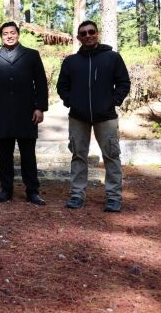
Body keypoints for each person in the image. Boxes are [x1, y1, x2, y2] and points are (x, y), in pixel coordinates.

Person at [57, 20, 131, 212]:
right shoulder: (71, 62)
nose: (88, 35)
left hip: (106, 117)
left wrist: (112, 101)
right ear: (78, 37)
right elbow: (62, 87)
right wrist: (71, 101)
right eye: (83, 33)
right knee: (78, 156)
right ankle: (76, 195)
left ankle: (114, 197)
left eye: (91, 32)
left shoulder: (112, 58)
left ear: (97, 33)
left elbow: (123, 82)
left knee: (111, 156)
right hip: (78, 117)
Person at [0, 22, 49, 205]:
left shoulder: (32, 55)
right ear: (1, 36)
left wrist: (39, 107)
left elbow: (41, 83)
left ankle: (32, 191)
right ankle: (6, 190)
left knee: (28, 154)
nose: (9, 36)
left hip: (27, 113)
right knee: (5, 154)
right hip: (2, 114)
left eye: (12, 32)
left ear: (18, 34)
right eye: (5, 33)